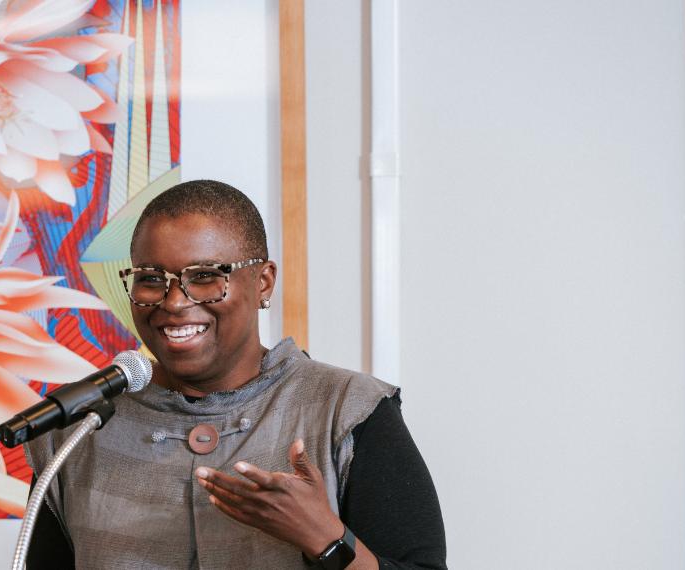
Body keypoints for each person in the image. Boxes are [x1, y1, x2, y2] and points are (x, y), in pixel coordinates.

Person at [24, 180, 446, 569]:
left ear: (263, 283)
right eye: (152, 279)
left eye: (205, 276)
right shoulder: (78, 428)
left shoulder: (347, 408)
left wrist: (327, 539)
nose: (173, 302)